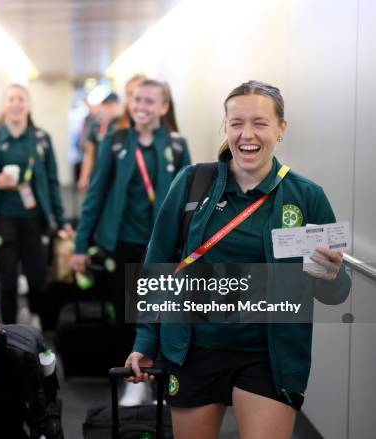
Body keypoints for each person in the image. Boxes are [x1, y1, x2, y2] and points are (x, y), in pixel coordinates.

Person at [125, 80, 351, 439]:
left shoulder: (307, 197)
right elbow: (159, 266)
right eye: (236, 123)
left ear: (281, 129)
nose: (247, 134)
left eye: (260, 123)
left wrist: (332, 275)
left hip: (269, 355)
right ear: (226, 127)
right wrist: (144, 342)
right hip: (193, 350)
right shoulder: (192, 184)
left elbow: (335, 293)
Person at [71, 79, 191, 404]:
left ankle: (163, 384)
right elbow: (96, 193)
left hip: (164, 246)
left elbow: (191, 204)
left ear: (164, 107)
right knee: (127, 315)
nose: (142, 106)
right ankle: (135, 381)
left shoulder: (177, 146)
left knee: (163, 313)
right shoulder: (116, 141)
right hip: (122, 242)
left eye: (150, 101)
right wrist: (81, 246)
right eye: (137, 99)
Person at [0, 84, 72, 326]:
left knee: (37, 278)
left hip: (35, 220)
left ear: (29, 105)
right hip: (1, 220)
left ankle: (39, 328)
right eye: (11, 98)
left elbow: (52, 182)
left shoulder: (40, 139)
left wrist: (61, 222)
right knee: (7, 281)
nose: (16, 103)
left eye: (21, 99)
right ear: (3, 105)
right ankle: (9, 333)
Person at [76, 92, 121, 192]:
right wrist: (84, 177)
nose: (108, 109)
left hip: (118, 174)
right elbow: (89, 154)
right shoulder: (97, 126)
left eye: (112, 105)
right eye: (106, 106)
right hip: (99, 173)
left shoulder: (124, 125)